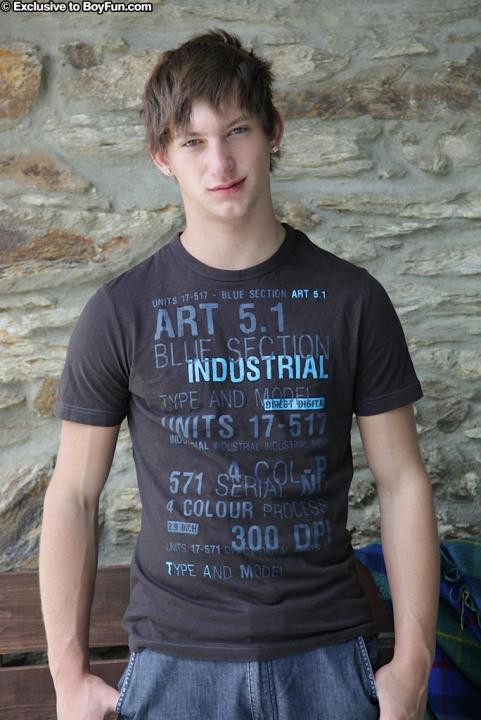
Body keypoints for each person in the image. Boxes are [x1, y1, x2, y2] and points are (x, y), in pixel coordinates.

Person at [39, 28, 439, 720]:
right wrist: (66, 675)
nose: (219, 162)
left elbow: (402, 480)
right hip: (175, 666)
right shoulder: (121, 312)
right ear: (162, 156)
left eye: (237, 131)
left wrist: (413, 665)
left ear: (273, 130)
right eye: (192, 141)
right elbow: (73, 493)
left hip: (324, 658)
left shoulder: (351, 300)